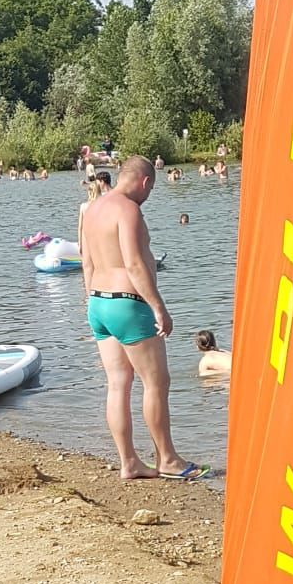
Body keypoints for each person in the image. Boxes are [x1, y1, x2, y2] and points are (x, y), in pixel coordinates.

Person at [79, 154, 200, 481]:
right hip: (128, 303)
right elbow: (133, 264)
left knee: (117, 383)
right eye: (151, 188)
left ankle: (129, 462)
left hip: (98, 303)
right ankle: (167, 459)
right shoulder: (129, 210)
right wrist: (158, 307)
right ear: (145, 182)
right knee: (157, 382)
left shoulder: (91, 210)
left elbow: (86, 263)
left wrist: (93, 303)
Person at [77, 166, 112, 246]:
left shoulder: (102, 198)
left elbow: (80, 227)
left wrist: (80, 243)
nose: (97, 185)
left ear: (102, 181)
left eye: (97, 182)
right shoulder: (113, 194)